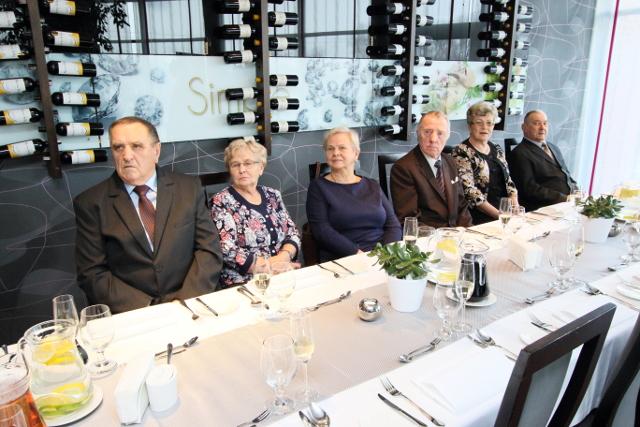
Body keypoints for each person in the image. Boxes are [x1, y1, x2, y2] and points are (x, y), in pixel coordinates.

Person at [74, 117, 223, 313]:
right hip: (134, 314)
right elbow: (92, 273)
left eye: (136, 146)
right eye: (118, 147)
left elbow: (209, 250)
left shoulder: (189, 188)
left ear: (156, 151)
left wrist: (184, 302)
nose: (127, 156)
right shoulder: (91, 203)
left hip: (192, 304)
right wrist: (149, 308)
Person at [211, 139, 300, 288]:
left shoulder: (273, 195)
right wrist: (267, 266)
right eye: (235, 165)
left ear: (261, 167)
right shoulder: (221, 201)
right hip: (246, 282)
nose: (242, 169)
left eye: (248, 163)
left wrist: (284, 257)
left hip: (284, 272)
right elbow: (226, 249)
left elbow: (292, 232)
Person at [306, 127, 401, 261]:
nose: (335, 153)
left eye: (342, 148)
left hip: (382, 256)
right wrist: (357, 254)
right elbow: (321, 230)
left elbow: (393, 225)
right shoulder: (318, 187)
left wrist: (386, 253)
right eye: (330, 149)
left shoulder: (372, 185)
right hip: (344, 257)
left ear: (356, 153)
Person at [390, 111, 473, 228]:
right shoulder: (403, 168)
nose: (433, 139)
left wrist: (468, 232)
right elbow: (409, 220)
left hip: (456, 234)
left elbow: (461, 206)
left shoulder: (450, 161)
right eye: (427, 132)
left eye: (440, 133)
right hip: (429, 236)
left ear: (447, 136)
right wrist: (443, 236)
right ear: (418, 133)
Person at [452, 101, 518, 224]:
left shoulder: (497, 148)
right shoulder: (461, 151)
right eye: (479, 122)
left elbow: (509, 180)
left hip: (504, 212)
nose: (484, 127)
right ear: (470, 126)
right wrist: (500, 216)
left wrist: (514, 203)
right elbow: (470, 192)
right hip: (479, 217)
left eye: (489, 123)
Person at [509, 110, 578, 211]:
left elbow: (566, 174)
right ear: (524, 127)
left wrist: (577, 192)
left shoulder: (553, 147)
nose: (542, 128)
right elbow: (529, 189)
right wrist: (564, 198)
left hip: (566, 204)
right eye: (537, 123)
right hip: (545, 208)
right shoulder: (519, 153)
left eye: (545, 123)